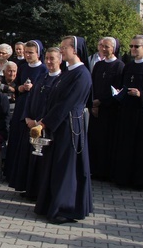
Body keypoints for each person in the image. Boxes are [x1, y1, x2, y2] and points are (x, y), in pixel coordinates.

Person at [34, 36, 93, 224]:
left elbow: (68, 103)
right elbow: (54, 100)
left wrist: (45, 123)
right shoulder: (67, 72)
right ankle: (50, 204)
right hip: (58, 125)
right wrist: (45, 119)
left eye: (64, 47)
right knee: (55, 166)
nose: (61, 51)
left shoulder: (82, 74)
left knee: (66, 167)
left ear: (74, 50)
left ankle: (65, 209)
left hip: (69, 126)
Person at [113, 35, 143, 189]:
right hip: (127, 112)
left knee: (142, 147)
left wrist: (141, 94)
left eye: (137, 46)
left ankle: (141, 180)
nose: (133, 49)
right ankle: (124, 178)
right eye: (131, 46)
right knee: (126, 145)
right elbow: (122, 85)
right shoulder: (128, 66)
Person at [21, 47, 63, 201]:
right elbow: (30, 99)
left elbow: (57, 105)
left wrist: (40, 122)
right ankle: (30, 190)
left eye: (53, 58)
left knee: (45, 162)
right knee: (32, 160)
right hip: (32, 124)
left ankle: (42, 193)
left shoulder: (61, 80)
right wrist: (27, 118)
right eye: (47, 59)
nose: (49, 62)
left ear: (60, 60)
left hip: (46, 126)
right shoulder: (41, 78)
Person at [6, 40, 47, 190]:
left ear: (38, 53)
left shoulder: (43, 69)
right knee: (17, 139)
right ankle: (13, 174)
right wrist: (21, 88)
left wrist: (34, 87)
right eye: (26, 52)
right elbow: (14, 86)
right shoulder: (23, 68)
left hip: (35, 108)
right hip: (22, 106)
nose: (27, 55)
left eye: (31, 53)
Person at [88, 37, 124, 180]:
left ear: (113, 48)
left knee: (107, 141)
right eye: (102, 46)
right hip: (96, 110)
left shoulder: (119, 66)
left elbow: (118, 90)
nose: (103, 49)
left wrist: (101, 102)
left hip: (110, 110)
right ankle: (95, 169)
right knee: (95, 140)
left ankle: (107, 171)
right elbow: (93, 85)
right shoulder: (98, 65)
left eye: (107, 46)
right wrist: (92, 103)